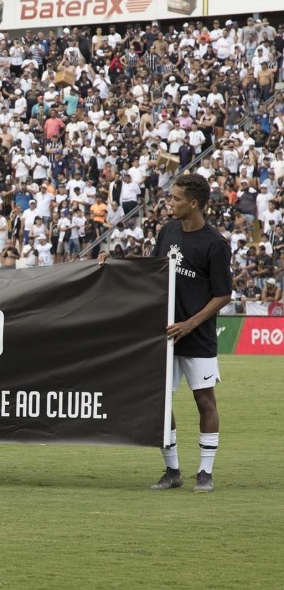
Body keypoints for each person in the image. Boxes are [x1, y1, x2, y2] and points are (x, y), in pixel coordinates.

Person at [102, 174, 231, 493]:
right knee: (161, 404)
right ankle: (172, 469)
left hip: (197, 337)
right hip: (165, 334)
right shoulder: (168, 231)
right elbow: (155, 268)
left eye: (175, 198)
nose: (169, 202)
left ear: (194, 203)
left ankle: (205, 471)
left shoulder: (215, 244)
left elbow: (223, 294)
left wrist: (190, 323)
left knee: (205, 402)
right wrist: (118, 263)